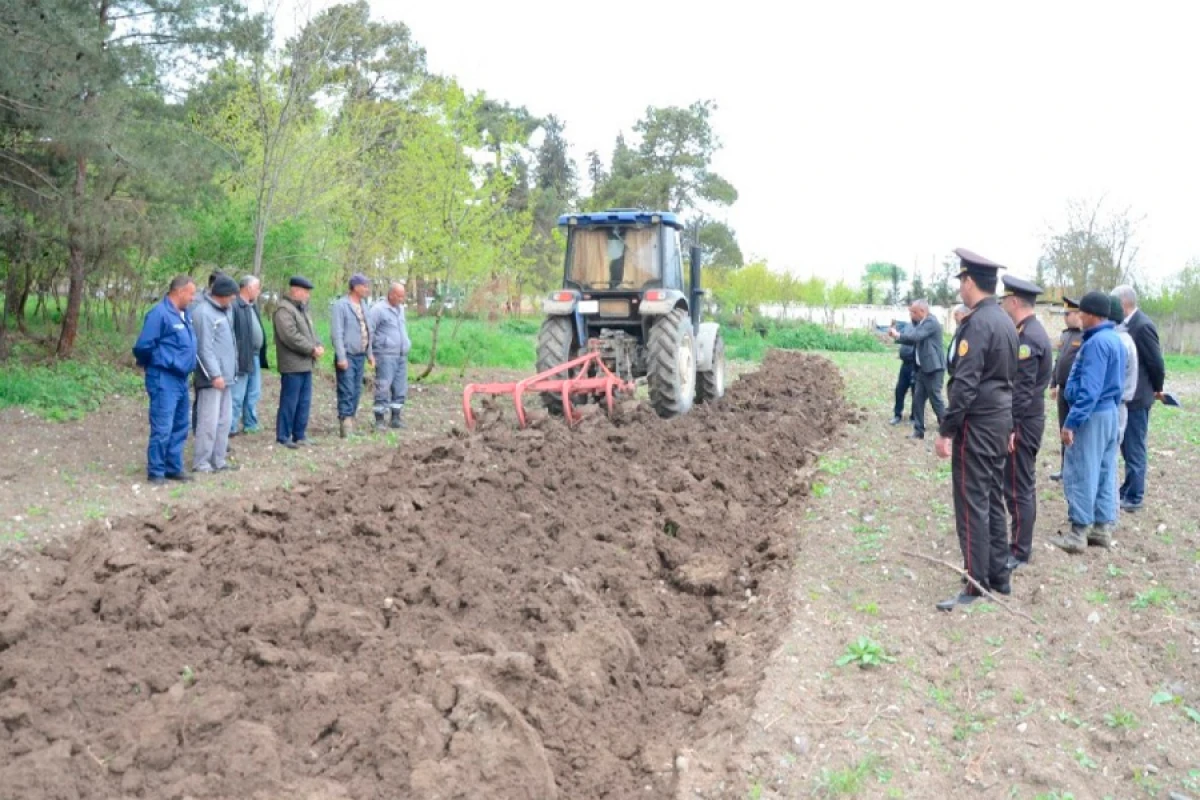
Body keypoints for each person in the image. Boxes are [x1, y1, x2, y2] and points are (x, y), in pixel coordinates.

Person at [933, 249, 1018, 611]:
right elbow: (1009, 382)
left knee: (971, 504)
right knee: (992, 500)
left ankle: (974, 584)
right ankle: (999, 575)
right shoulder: (1003, 321)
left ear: (969, 282)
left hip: (978, 425)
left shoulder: (978, 324)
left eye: (961, 282)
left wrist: (946, 430)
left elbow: (965, 385)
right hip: (998, 422)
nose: (960, 289)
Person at [1050, 291, 1126, 553]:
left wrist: (1071, 422)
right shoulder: (1115, 340)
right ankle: (1102, 529)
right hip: (1110, 414)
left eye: (1082, 311)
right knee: (1105, 470)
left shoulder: (1095, 344)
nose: (1078, 315)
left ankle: (1078, 533)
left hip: (1092, 415)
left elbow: (1089, 391)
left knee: (1082, 469)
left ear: (1092, 314)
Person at [999, 276, 1053, 570]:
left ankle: (1020, 550)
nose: (1003, 304)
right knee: (1019, 484)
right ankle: (1019, 542)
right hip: (1027, 419)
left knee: (1019, 486)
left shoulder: (1029, 338)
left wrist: (1011, 427)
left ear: (1015, 301)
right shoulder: (1029, 331)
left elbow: (1022, 389)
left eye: (1005, 299)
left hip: (1024, 422)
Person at [133, 276, 198, 486]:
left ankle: (173, 466)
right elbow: (143, 346)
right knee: (163, 424)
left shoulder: (184, 315)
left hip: (181, 378)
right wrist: (162, 361)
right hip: (164, 378)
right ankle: (156, 470)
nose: (193, 298)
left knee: (180, 424)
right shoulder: (159, 314)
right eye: (191, 293)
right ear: (179, 292)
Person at [1111, 285, 1166, 512]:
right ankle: (1128, 488)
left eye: (1115, 304)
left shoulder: (1142, 326)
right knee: (1126, 447)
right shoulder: (1126, 325)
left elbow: (1156, 362)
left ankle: (1135, 496)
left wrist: (1157, 388)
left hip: (1138, 397)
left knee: (1134, 449)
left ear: (1124, 303)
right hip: (1129, 397)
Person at [191, 275, 239, 473]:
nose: (234, 299)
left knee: (224, 421)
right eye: (232, 295)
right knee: (208, 422)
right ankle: (201, 462)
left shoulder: (226, 312)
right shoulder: (203, 313)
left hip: (227, 377)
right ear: (223, 295)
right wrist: (214, 375)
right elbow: (203, 349)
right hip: (212, 379)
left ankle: (218, 460)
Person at [274, 276, 324, 449]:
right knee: (290, 401)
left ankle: (299, 434)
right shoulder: (284, 310)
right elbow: (290, 336)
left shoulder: (302, 310)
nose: (307, 296)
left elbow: (311, 331)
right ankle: (283, 436)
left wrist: (318, 344)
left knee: (304, 401)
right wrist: (311, 349)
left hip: (305, 364)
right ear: (295, 290)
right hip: (292, 364)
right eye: (305, 292)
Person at [890, 299, 946, 439]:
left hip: (934, 368)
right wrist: (898, 336)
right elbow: (911, 338)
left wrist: (898, 335)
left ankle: (947, 429)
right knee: (918, 399)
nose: (911, 315)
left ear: (922, 311)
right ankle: (918, 431)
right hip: (922, 369)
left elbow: (915, 337)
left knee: (936, 400)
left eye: (913, 312)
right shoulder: (921, 323)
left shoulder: (931, 322)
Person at [331, 273, 375, 438]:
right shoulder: (341, 305)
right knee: (346, 389)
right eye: (364, 285)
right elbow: (337, 333)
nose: (366, 289)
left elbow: (368, 330)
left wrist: (370, 353)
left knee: (356, 389)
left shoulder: (364, 305)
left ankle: (351, 419)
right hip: (347, 355)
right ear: (355, 286)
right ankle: (345, 424)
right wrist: (341, 356)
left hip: (360, 355)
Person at [368, 281, 413, 431]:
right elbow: (370, 332)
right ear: (391, 294)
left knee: (400, 388)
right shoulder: (378, 310)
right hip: (385, 355)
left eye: (403, 296)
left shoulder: (401, 309)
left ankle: (395, 417)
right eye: (399, 296)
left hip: (401, 355)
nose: (402, 299)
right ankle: (379, 419)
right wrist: (370, 353)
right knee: (383, 386)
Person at [1049, 297, 1083, 482]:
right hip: (1063, 391)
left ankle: (1076, 469)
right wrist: (1053, 383)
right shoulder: (1065, 335)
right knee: (1063, 428)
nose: (1065, 317)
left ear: (1078, 314)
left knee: (1075, 431)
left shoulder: (1084, 336)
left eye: (1067, 314)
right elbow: (1059, 361)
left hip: (1076, 393)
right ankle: (1065, 468)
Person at [230, 275, 268, 436]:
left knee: (253, 392)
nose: (259, 291)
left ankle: (250, 423)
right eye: (257, 287)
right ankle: (230, 426)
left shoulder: (252, 306)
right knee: (237, 395)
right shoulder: (235, 306)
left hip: (255, 355)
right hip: (241, 356)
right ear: (248, 288)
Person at [1109, 295, 1139, 445]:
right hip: (1119, 403)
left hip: (1114, 404)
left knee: (1106, 453)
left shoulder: (1117, 341)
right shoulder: (1125, 338)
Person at [889, 318, 916, 425]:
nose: (911, 315)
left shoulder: (922, 327)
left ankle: (914, 417)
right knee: (899, 390)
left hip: (915, 365)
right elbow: (902, 338)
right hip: (905, 364)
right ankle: (897, 414)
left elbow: (913, 339)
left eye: (913, 312)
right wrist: (894, 335)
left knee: (916, 392)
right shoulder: (908, 325)